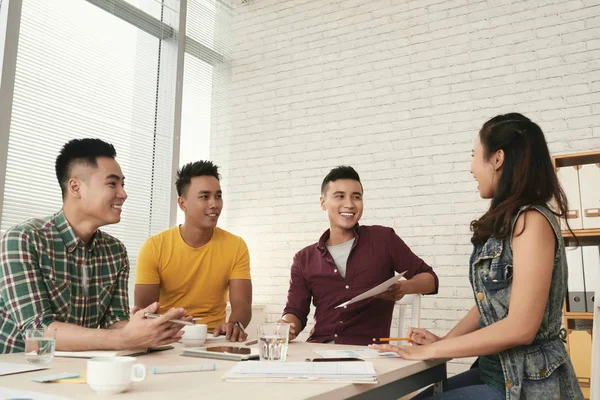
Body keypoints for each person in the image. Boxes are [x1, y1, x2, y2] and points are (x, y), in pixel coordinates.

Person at [370, 113, 584, 399]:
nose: (471, 167)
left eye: (474, 155)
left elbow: (521, 327)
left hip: (526, 382)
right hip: (496, 371)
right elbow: (493, 304)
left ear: (497, 159)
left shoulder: (532, 221)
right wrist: (446, 341)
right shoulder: (509, 221)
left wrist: (433, 350)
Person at [0, 138, 186, 353]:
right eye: (112, 183)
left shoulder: (115, 251)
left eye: (122, 184)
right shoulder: (23, 239)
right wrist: (125, 338)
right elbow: (37, 333)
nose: (123, 194)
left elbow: (115, 323)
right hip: (15, 373)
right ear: (75, 187)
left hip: (78, 370)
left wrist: (154, 328)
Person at [279, 166, 439, 345]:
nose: (349, 204)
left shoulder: (383, 239)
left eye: (356, 197)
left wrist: (405, 287)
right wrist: (286, 326)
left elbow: (430, 280)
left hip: (369, 351)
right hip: (319, 349)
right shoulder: (303, 259)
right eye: (340, 196)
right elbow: (295, 311)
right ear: (323, 203)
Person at [134, 161, 252, 342]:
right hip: (168, 337)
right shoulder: (154, 246)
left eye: (218, 196)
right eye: (204, 197)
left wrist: (235, 325)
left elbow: (242, 305)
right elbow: (144, 310)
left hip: (215, 338)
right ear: (182, 203)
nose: (214, 204)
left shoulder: (236, 245)